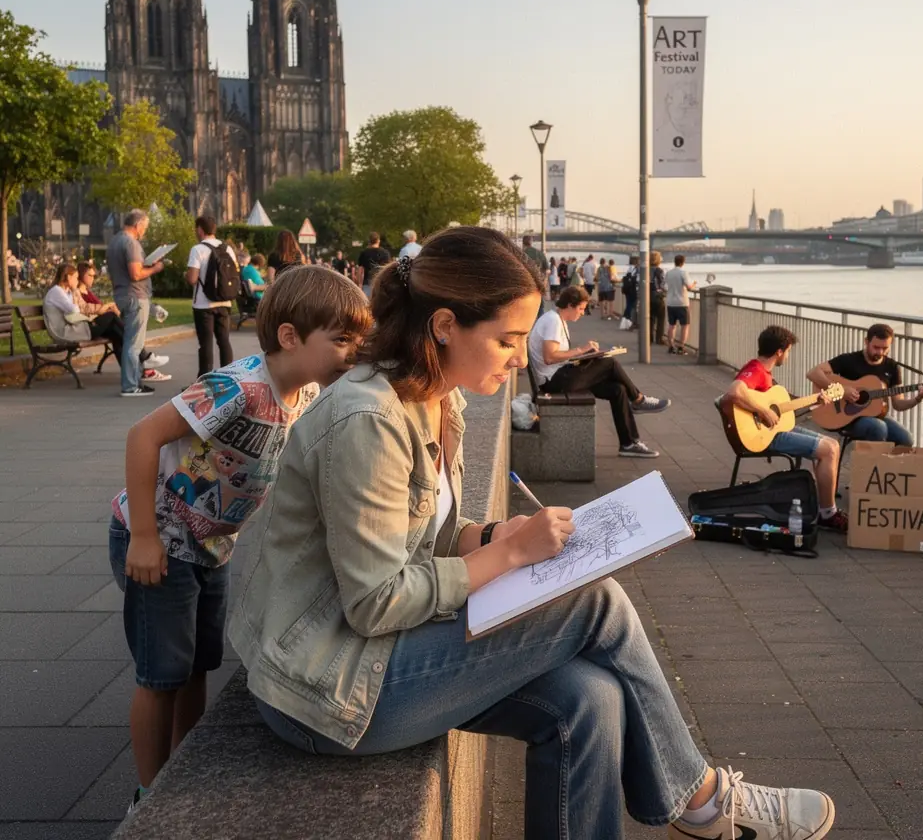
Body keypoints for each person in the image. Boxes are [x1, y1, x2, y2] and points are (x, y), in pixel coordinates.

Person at [227, 229, 835, 840]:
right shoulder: (370, 421)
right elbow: (375, 600)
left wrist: (492, 532)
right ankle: (699, 799)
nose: (521, 359)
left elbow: (421, 532)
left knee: (589, 700)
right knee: (594, 601)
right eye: (507, 340)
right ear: (444, 326)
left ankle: (693, 799)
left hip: (375, 654)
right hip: (324, 685)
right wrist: (511, 553)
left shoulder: (437, 398)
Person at [109, 266, 371, 814]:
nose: (353, 353)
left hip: (210, 547)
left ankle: (182, 770)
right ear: (291, 336)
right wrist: (143, 535)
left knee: (199, 662)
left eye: (359, 341)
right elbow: (143, 435)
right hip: (161, 538)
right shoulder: (239, 386)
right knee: (161, 674)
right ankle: (149, 797)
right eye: (342, 339)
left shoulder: (304, 395)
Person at [723, 325, 846, 531]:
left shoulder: (765, 373)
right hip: (765, 436)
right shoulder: (756, 370)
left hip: (775, 429)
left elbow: (782, 411)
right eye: (788, 351)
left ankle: (824, 505)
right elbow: (733, 392)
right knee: (829, 450)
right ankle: (828, 513)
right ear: (779, 351)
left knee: (832, 444)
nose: (787, 356)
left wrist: (817, 400)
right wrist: (763, 411)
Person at [530, 285, 670, 458]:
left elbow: (556, 357)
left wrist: (587, 355)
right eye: (581, 309)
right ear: (570, 305)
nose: (582, 313)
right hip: (554, 381)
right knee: (609, 363)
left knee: (617, 390)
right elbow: (550, 357)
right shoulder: (553, 321)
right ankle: (638, 399)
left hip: (559, 376)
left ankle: (628, 443)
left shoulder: (557, 319)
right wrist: (582, 350)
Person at [807, 323, 923, 445]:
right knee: (878, 428)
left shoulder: (892, 367)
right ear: (866, 342)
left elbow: (898, 404)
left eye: (885, 348)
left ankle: (886, 463)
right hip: (846, 419)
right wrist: (841, 391)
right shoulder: (849, 360)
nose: (880, 352)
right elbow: (813, 373)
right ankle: (872, 463)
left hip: (876, 416)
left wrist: (918, 398)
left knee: (906, 439)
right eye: (876, 347)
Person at [76, 262, 171, 382]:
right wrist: (107, 308)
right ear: (81, 275)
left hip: (102, 324)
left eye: (94, 276)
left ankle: (137, 372)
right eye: (90, 275)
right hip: (92, 326)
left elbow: (98, 309)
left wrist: (108, 308)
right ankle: (145, 358)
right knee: (121, 327)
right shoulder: (78, 293)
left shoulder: (88, 292)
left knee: (117, 335)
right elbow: (86, 310)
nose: (92, 279)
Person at [107, 209, 166, 397]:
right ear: (138, 225)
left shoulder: (115, 241)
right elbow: (135, 274)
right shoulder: (131, 244)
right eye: (145, 227)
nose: (145, 231)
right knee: (134, 345)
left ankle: (135, 381)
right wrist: (155, 268)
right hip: (135, 296)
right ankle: (131, 385)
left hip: (122, 295)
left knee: (130, 342)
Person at [44, 262, 126, 366]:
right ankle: (142, 357)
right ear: (68, 277)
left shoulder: (65, 291)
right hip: (67, 332)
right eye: (75, 278)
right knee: (111, 317)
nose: (77, 281)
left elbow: (78, 307)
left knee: (115, 331)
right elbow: (75, 310)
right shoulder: (56, 291)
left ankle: (131, 369)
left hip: (78, 327)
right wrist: (74, 289)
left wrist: (73, 291)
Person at [186, 216, 237, 378]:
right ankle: (228, 377)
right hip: (224, 301)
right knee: (224, 341)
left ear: (200, 229)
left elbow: (192, 279)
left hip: (203, 304)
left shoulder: (197, 249)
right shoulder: (227, 249)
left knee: (206, 343)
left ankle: (204, 380)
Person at [665, 254, 698, 355]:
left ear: (674, 262)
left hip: (670, 302)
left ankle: (671, 346)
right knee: (685, 325)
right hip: (682, 303)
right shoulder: (683, 273)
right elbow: (689, 287)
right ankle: (681, 347)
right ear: (683, 262)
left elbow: (665, 286)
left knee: (671, 325)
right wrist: (694, 283)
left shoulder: (669, 273)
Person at [357, 232, 391, 296]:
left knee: (367, 303)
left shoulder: (364, 253)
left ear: (369, 241)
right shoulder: (385, 253)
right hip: (381, 283)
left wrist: (359, 284)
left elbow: (360, 270)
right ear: (378, 240)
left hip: (368, 283)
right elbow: (388, 270)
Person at [649, 251, 667, 346]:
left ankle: (649, 338)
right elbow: (663, 284)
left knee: (650, 318)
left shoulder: (645, 270)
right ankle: (659, 338)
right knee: (660, 318)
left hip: (647, 297)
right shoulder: (659, 271)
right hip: (657, 297)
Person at [621, 255, 639, 327]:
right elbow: (637, 279)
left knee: (628, 305)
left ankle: (625, 322)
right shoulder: (635, 269)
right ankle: (631, 322)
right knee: (633, 306)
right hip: (633, 290)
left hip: (627, 289)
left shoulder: (629, 268)